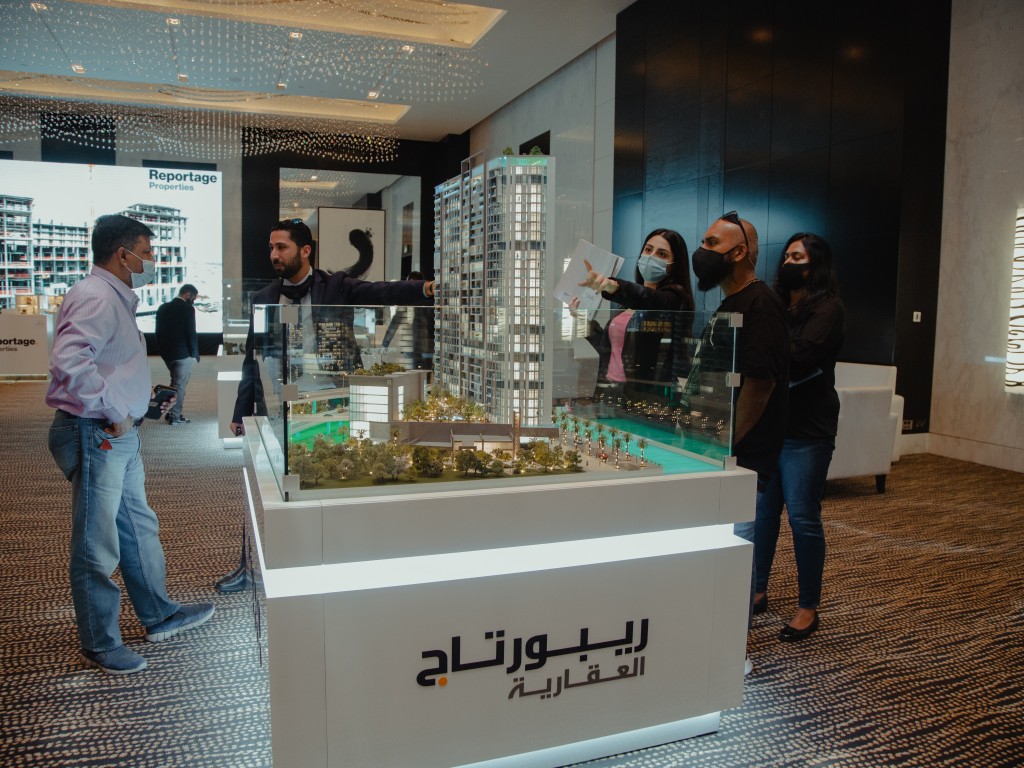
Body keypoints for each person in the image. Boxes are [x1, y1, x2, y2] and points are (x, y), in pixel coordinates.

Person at [217, 218, 435, 593]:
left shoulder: (335, 286)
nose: (274, 255)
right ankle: (258, 565)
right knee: (272, 487)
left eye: (281, 247)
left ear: (305, 251)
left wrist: (426, 288)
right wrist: (240, 411)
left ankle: (336, 565)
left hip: (334, 400)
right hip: (281, 403)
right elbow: (252, 358)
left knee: (334, 478)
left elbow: (381, 291)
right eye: (271, 247)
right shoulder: (264, 296)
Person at [45, 214, 215, 675]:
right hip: (96, 431)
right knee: (96, 543)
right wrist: (113, 410)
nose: (152, 261)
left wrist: (138, 400)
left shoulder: (114, 298)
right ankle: (99, 642)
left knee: (138, 529)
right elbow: (69, 362)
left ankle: (158, 614)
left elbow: (107, 363)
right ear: (123, 255)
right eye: (148, 252)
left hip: (115, 433)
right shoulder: (97, 296)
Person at [688, 211, 789, 675]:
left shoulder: (761, 304)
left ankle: (733, 650)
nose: (702, 250)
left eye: (712, 243)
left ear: (739, 251)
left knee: (733, 551)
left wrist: (727, 440)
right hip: (715, 450)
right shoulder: (729, 302)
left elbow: (760, 385)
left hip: (741, 457)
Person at [753, 233, 845, 642]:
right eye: (787, 256)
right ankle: (757, 590)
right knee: (761, 516)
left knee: (803, 518)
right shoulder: (776, 304)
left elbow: (801, 356)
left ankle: (808, 607)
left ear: (816, 265)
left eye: (799, 257)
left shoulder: (829, 308)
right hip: (771, 427)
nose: (789, 262)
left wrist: (766, 347)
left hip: (807, 431)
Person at [577, 228, 695, 405]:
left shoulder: (674, 298)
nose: (651, 256)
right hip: (610, 389)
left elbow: (650, 299)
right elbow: (607, 347)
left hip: (646, 396)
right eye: (648, 250)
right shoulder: (627, 304)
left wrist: (612, 286)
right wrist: (580, 319)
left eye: (662, 254)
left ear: (674, 264)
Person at [155, 283, 200, 425]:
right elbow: (191, 333)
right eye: (193, 298)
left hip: (167, 354)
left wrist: (162, 350)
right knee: (179, 385)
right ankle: (175, 416)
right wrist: (195, 353)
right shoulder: (188, 309)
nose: (193, 301)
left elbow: (158, 332)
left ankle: (171, 412)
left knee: (175, 382)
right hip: (183, 355)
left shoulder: (163, 308)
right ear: (187, 294)